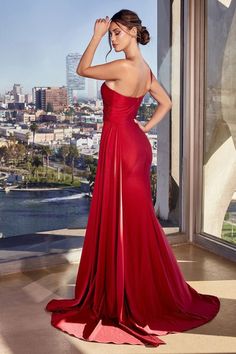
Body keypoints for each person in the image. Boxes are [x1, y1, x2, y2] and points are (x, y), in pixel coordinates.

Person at [45, 9, 220, 347]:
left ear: (133, 32)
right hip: (134, 144)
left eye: (116, 33)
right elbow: (166, 103)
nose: (112, 39)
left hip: (121, 147)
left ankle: (130, 292)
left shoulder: (124, 66)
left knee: (125, 219)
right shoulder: (144, 70)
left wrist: (93, 37)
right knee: (136, 220)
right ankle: (140, 285)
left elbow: (82, 70)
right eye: (109, 34)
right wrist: (144, 128)